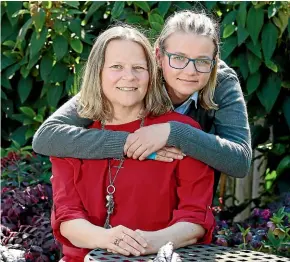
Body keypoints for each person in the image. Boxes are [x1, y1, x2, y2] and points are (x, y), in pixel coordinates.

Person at [32, 10, 252, 193]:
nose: (190, 70)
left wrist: (173, 132)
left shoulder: (221, 83)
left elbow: (240, 160)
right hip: (121, 197)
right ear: (158, 55)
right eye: (178, 58)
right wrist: (129, 142)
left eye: (203, 61)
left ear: (214, 61)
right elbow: (46, 137)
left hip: (189, 204)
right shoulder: (135, 77)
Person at [50, 25, 215, 262]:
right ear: (98, 72)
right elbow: (67, 217)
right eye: (117, 67)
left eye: (139, 68)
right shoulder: (71, 137)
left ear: (151, 74)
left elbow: (195, 218)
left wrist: (145, 244)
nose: (129, 76)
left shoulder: (180, 132)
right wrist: (107, 239)